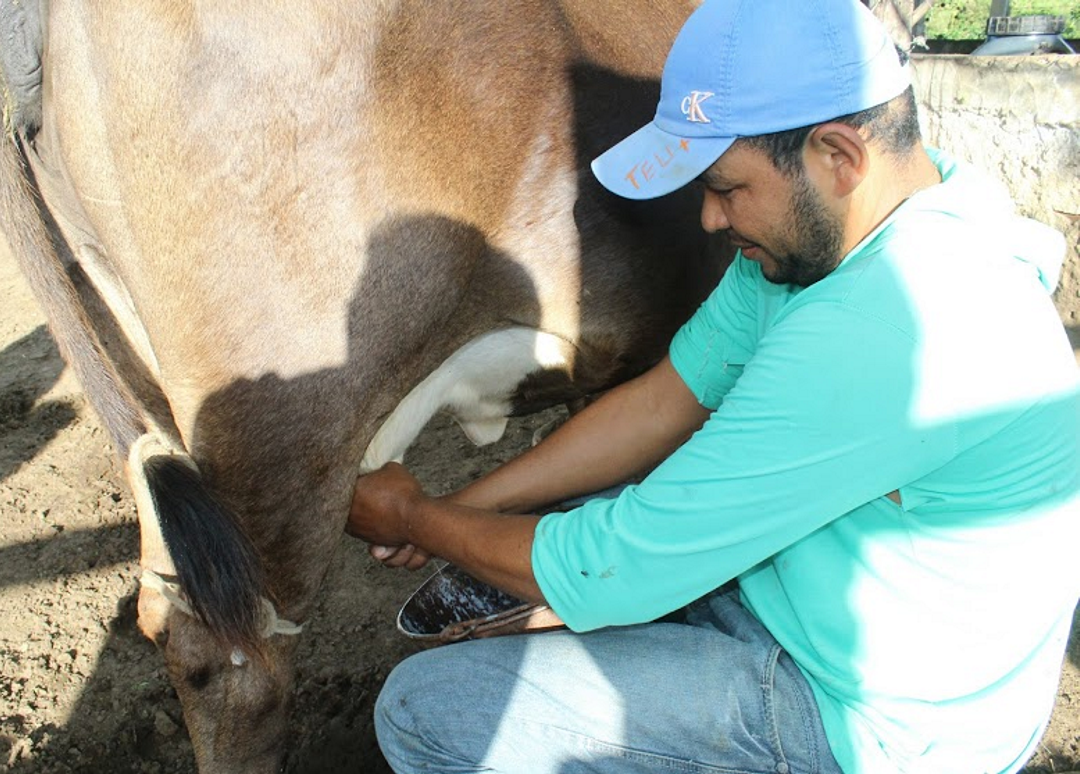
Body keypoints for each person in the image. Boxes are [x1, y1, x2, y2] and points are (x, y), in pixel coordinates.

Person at [346, 0, 1080, 772]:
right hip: (819, 601)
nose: (708, 218)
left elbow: (617, 566)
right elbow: (663, 402)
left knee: (431, 710)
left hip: (877, 722)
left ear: (837, 156)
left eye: (727, 188)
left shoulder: (892, 324)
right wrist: (467, 506)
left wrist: (414, 516)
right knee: (551, 546)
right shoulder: (841, 237)